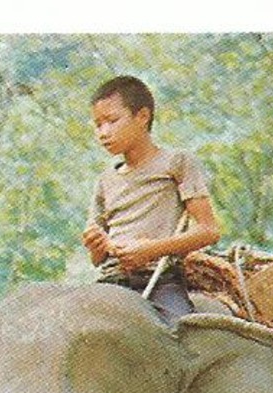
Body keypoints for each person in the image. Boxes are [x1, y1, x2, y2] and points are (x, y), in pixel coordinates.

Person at [82, 75, 221, 324]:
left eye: (112, 121)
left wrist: (150, 250)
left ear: (143, 117)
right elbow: (97, 260)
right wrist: (96, 245)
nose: (103, 133)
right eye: (98, 125)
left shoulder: (177, 163)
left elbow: (209, 230)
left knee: (179, 336)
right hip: (110, 281)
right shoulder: (105, 180)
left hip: (159, 280)